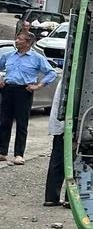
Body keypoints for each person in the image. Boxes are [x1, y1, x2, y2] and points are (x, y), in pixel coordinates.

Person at [0, 31, 57, 166]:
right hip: (8, 89)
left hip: (24, 91)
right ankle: (2, 151)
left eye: (20, 39)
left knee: (22, 123)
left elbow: (51, 73)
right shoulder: (8, 56)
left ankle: (19, 154)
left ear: (28, 43)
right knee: (4, 121)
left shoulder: (36, 58)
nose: (16, 41)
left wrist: (38, 86)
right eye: (17, 38)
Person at [44, 73, 66, 207]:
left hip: (61, 126)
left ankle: (51, 197)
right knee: (75, 161)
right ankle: (70, 199)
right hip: (67, 126)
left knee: (57, 160)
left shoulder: (65, 79)